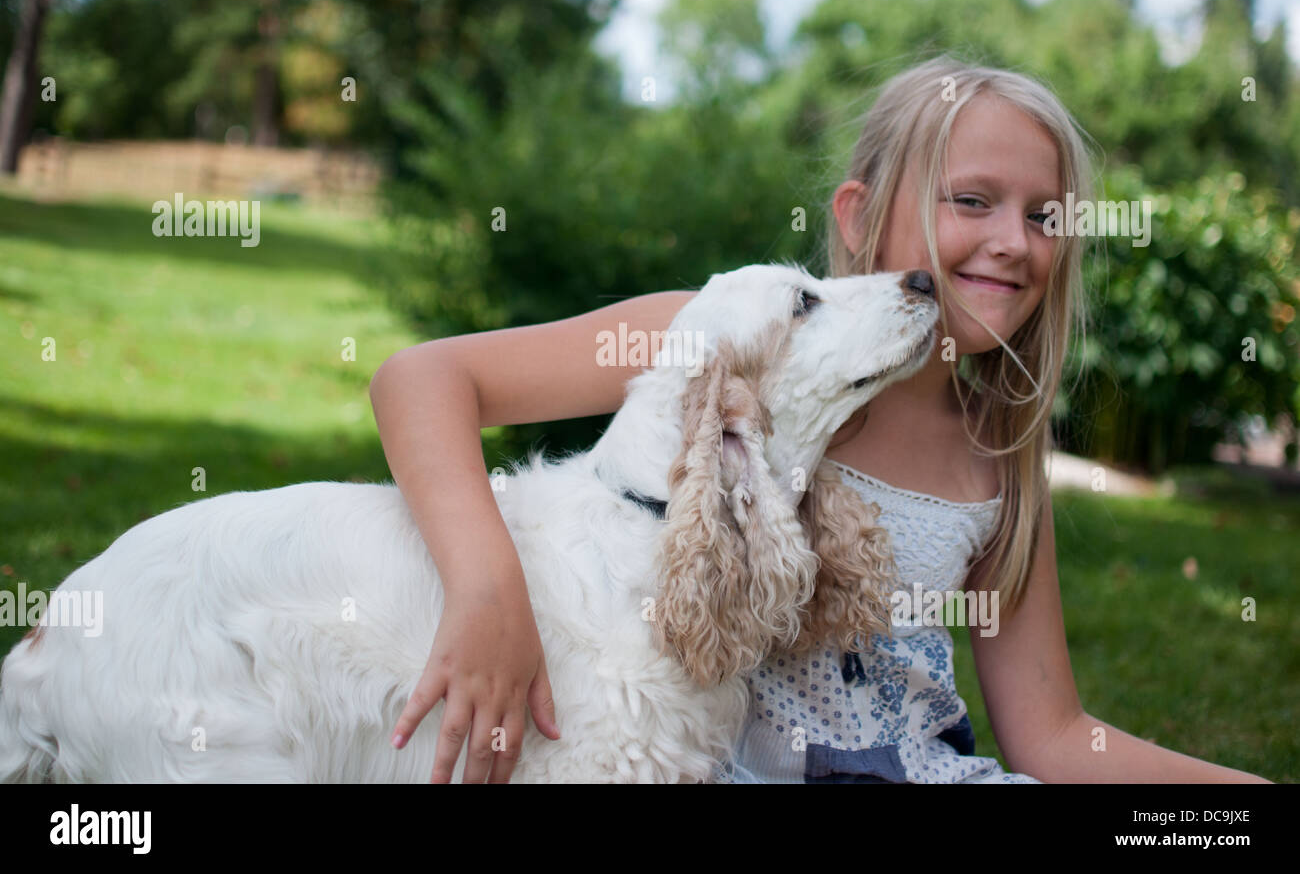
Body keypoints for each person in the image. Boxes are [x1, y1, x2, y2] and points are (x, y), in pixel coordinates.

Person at [368, 54, 1270, 783]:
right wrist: (488, 593)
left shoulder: (995, 458)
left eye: (1044, 215)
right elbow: (422, 379)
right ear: (861, 216)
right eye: (972, 200)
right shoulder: (716, 335)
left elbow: (1053, 735)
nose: (1014, 240)